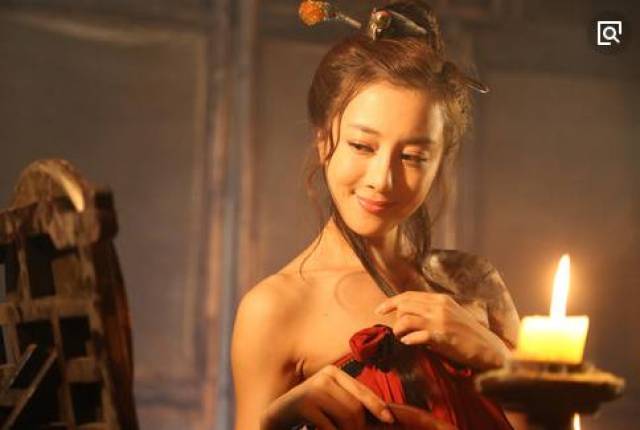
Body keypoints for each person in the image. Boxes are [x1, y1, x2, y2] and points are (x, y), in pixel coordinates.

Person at [232, 1, 522, 429]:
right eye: (362, 146)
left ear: (440, 161)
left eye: (412, 156)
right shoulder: (275, 308)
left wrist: (494, 357)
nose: (383, 180)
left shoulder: (475, 282)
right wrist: (276, 423)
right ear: (323, 139)